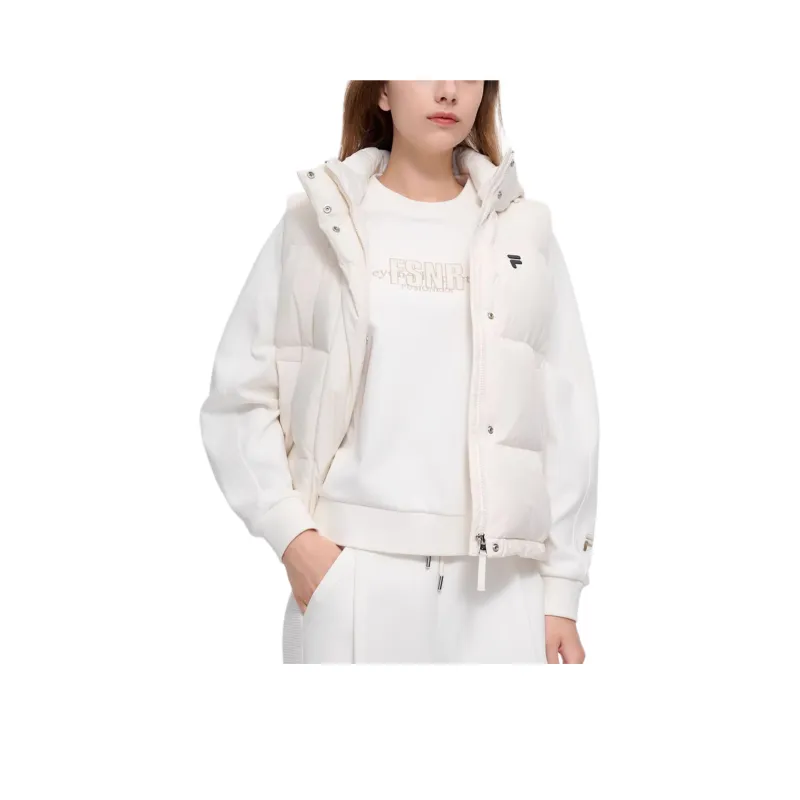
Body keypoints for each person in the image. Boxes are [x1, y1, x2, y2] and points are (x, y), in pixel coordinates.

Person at [198, 80, 600, 664]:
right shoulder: (319, 222)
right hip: (354, 574)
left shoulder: (523, 232)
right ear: (382, 92)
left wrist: (561, 588)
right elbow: (240, 397)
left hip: (501, 587)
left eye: (467, 72)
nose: (448, 89)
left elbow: (568, 412)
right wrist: (295, 540)